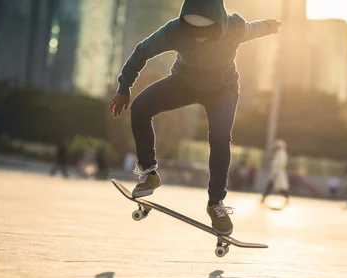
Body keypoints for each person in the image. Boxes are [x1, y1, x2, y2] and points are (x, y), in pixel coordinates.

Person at [109, 0, 281, 235]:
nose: (199, 37)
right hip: (184, 83)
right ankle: (149, 174)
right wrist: (123, 88)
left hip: (222, 89)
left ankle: (216, 203)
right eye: (193, 31)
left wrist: (272, 25)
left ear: (219, 23)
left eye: (206, 31)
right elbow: (142, 51)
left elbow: (256, 28)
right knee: (139, 108)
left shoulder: (235, 27)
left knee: (220, 138)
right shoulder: (175, 30)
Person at [261, 139, 290, 205]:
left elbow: (280, 164)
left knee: (280, 188)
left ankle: (287, 198)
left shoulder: (281, 153)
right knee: (272, 186)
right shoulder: (279, 153)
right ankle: (263, 198)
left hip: (278, 173)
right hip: (276, 172)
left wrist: (275, 173)